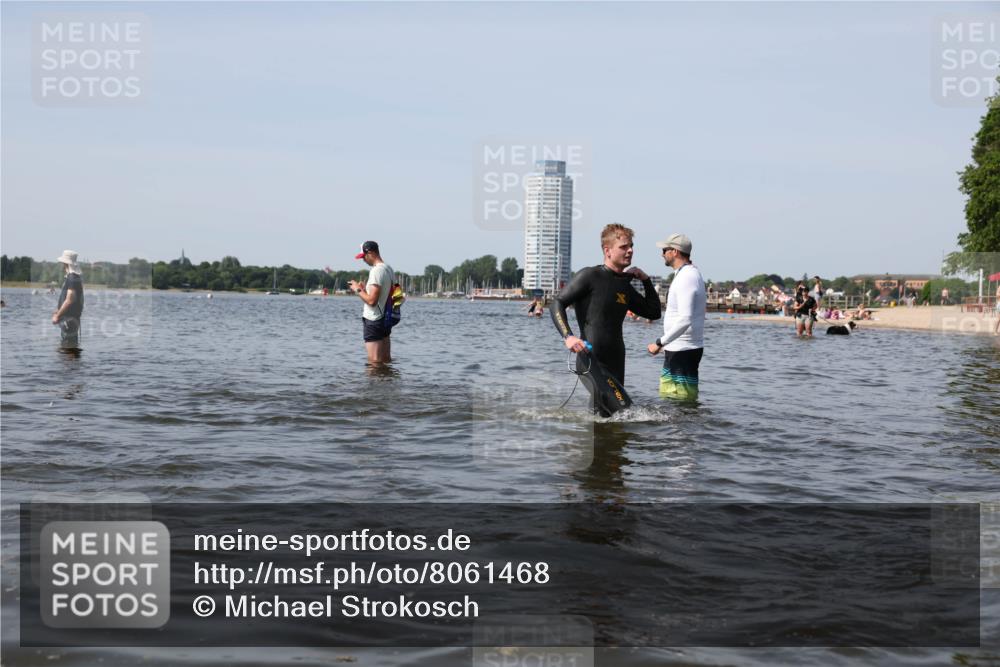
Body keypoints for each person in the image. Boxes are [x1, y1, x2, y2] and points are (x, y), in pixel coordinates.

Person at [550, 223, 661, 414]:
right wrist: (568, 336)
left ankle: (592, 442)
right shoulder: (590, 276)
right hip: (591, 359)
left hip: (617, 360)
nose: (630, 251)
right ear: (607, 250)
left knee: (604, 417)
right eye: (624, 247)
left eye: (631, 246)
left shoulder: (624, 285)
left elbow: (653, 312)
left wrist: (646, 281)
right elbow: (557, 304)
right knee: (625, 411)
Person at [647, 234, 706, 401]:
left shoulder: (687, 277)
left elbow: (685, 319)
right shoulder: (686, 274)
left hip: (683, 350)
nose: (662, 254)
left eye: (665, 250)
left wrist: (660, 342)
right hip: (679, 348)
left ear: (675, 252)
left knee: (681, 403)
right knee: (670, 399)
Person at [347, 241, 395, 364]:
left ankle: (373, 384)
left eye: (364, 257)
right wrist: (364, 290)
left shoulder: (376, 271)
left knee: (374, 363)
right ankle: (387, 383)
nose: (363, 260)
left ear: (371, 253)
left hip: (374, 320)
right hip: (385, 319)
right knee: (385, 361)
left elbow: (372, 301)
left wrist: (357, 289)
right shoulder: (388, 269)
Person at [51, 250, 84, 350]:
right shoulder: (74, 277)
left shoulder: (72, 278)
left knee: (67, 351)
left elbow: (70, 299)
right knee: (69, 351)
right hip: (72, 320)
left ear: (65, 263)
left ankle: (70, 365)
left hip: (69, 321)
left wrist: (57, 315)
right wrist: (58, 310)